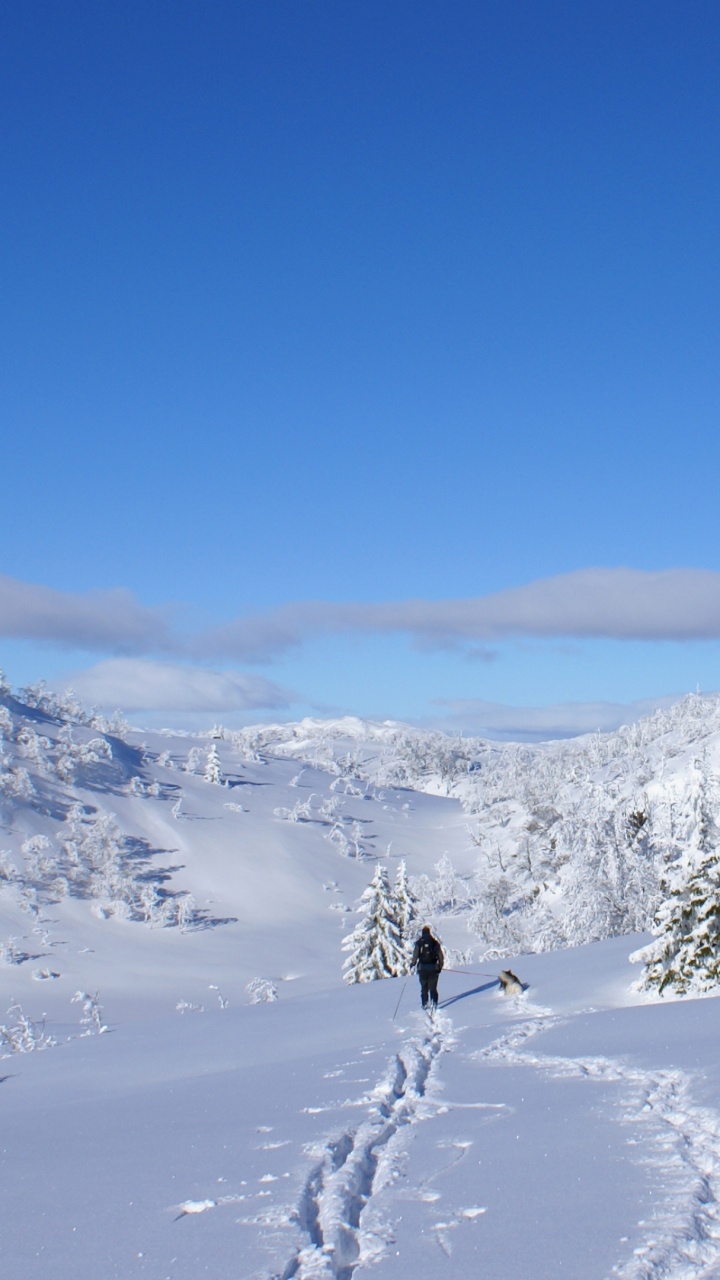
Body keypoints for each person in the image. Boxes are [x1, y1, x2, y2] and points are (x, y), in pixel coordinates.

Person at [410, 925, 444, 1010]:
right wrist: (439, 966)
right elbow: (440, 956)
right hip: (433, 967)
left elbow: (415, 955)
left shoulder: (419, 943)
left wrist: (412, 964)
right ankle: (434, 1003)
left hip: (422, 968)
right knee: (433, 987)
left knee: (424, 987)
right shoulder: (434, 942)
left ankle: (425, 1003)